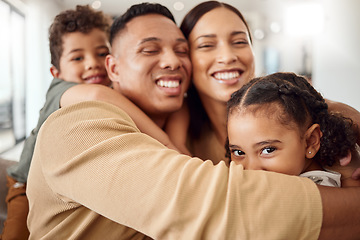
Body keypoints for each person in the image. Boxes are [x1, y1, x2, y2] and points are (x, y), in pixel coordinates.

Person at [26, 3, 360, 240]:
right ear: (113, 68)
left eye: (180, 50)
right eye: (150, 49)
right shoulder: (78, 124)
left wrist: (340, 117)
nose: (172, 61)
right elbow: (211, 207)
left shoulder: (216, 131)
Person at [178, 0, 360, 175]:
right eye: (206, 45)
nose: (227, 56)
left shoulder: (301, 113)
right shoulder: (178, 128)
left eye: (240, 42)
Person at [1, 5, 111, 239]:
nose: (93, 63)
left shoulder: (108, 88)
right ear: (56, 72)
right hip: (25, 183)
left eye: (102, 53)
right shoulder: (62, 90)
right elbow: (97, 96)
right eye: (78, 57)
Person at [226, 72, 359, 187]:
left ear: (311, 141)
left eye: (268, 150)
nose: (251, 169)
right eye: (238, 152)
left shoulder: (308, 194)